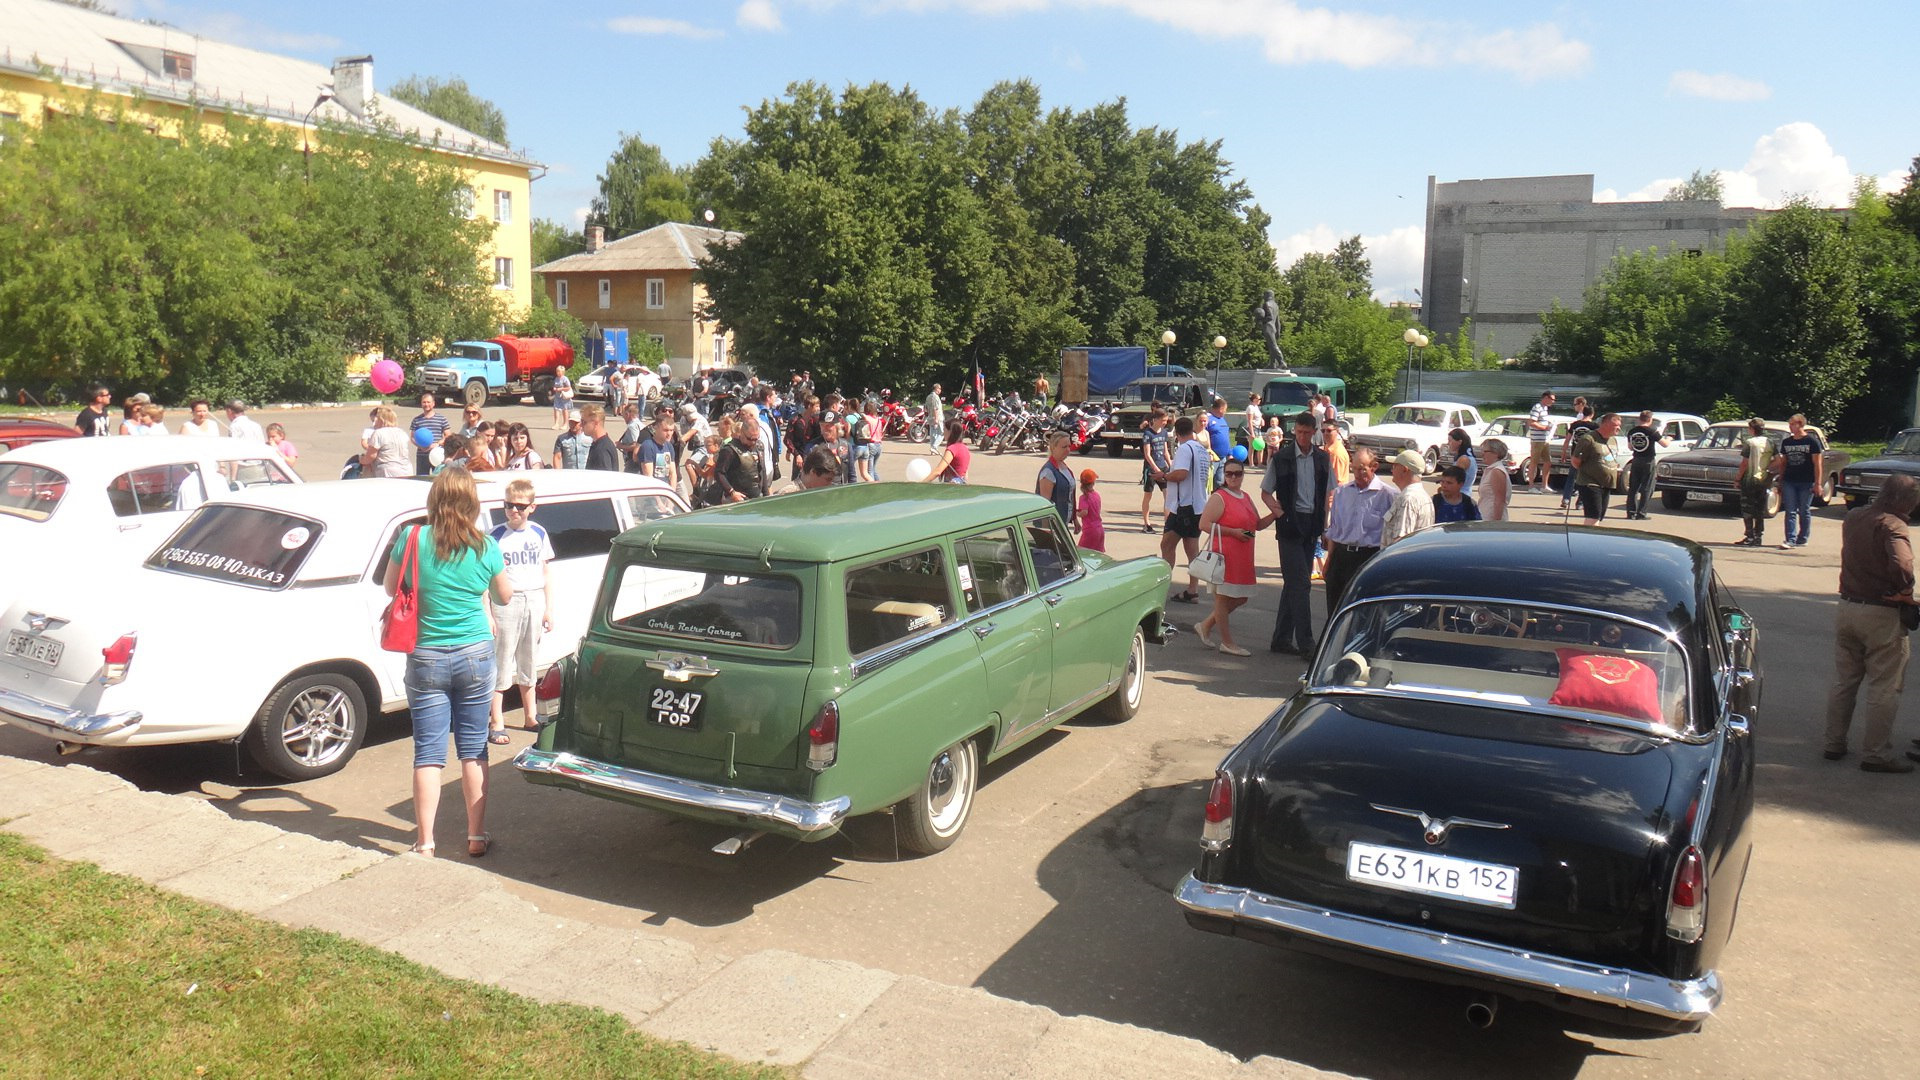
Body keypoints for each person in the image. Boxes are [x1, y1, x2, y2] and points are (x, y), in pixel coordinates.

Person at [382, 467, 511, 858]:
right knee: (473, 749)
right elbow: (504, 596)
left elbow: (391, 587)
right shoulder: (485, 545)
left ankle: (425, 842)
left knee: (428, 754)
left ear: (435, 499)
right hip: (475, 653)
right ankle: (475, 836)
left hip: (425, 655)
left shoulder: (412, 536)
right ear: (471, 502)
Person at [1823, 474, 1920, 773]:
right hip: (1881, 613)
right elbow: (1902, 564)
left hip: (1848, 606)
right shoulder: (1892, 525)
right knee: (1885, 686)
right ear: (1906, 501)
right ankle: (1876, 754)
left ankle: (1834, 743)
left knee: (1845, 681)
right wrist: (1906, 592)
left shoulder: (1854, 517)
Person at [487, 477, 554, 743]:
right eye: (509, 505)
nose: (514, 510)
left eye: (520, 506)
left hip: (534, 599)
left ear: (532, 507)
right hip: (506, 602)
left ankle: (530, 716)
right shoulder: (494, 536)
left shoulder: (538, 532)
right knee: (501, 661)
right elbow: (485, 579)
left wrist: (549, 609)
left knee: (529, 660)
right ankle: (497, 721)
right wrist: (487, 613)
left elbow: (546, 571)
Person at [1262, 412, 1333, 658]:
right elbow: (1265, 493)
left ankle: (1281, 638)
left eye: (1307, 432)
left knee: (1294, 583)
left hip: (1312, 525)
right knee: (1301, 583)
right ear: (1294, 432)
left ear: (1314, 432)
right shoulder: (1282, 458)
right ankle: (1307, 643)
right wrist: (1279, 513)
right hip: (1290, 526)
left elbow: (1326, 496)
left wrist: (1325, 527)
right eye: (1299, 432)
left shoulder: (1322, 459)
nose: (1303, 436)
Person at [1195, 459, 1269, 657]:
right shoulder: (1219, 497)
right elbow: (1204, 524)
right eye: (1229, 474)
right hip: (1224, 555)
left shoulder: (1245, 496)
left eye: (1237, 473)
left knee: (1241, 597)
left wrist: (1276, 514)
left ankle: (1206, 625)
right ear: (1224, 475)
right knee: (1222, 598)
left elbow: (1257, 525)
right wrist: (1233, 532)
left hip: (1243, 556)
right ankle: (1227, 643)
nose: (1233, 477)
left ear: (1243, 474)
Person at [1321, 448, 1396, 614]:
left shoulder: (1389, 495)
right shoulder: (1342, 493)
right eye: (1354, 468)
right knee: (1335, 609)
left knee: (1362, 610)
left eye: (1362, 468)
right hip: (1341, 557)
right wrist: (1329, 562)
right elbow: (1335, 530)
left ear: (1374, 466)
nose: (1357, 473)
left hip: (1368, 556)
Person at [1160, 416, 1212, 605]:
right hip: (1198, 506)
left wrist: (1164, 475)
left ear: (1177, 432)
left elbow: (1181, 474)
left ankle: (1162, 586)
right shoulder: (1201, 449)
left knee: (1166, 545)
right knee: (1192, 549)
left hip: (1184, 507)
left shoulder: (1185, 448)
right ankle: (1193, 590)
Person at [1777, 413, 1826, 548]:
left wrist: (1818, 484)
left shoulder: (1811, 442)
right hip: (1789, 480)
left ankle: (1803, 537)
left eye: (1792, 424)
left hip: (1807, 481)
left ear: (1800, 424)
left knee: (1804, 510)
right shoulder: (1787, 442)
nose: (1790, 427)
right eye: (1790, 424)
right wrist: (1780, 480)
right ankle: (1790, 539)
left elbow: (1817, 464)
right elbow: (1783, 462)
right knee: (1790, 510)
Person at [1571, 412, 1622, 526]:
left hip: (1606, 484)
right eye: (1616, 425)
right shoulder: (1588, 439)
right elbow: (1575, 461)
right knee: (1593, 516)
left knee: (1599, 516)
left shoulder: (1613, 440)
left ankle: (1594, 538)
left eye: (1619, 425)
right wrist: (1591, 471)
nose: (1618, 428)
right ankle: (1588, 541)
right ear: (1605, 425)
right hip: (1590, 483)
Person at [1381, 449, 1435, 548]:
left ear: (1405, 470)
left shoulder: (1407, 499)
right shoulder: (1425, 497)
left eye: (1395, 466)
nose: (1391, 470)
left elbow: (1400, 543)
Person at [1622, 410, 1669, 520]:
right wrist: (1669, 439)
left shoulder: (1632, 431)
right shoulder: (1652, 431)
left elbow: (1630, 447)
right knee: (1647, 487)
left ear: (1640, 419)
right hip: (1648, 460)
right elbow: (1665, 444)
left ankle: (1631, 512)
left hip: (1636, 459)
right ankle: (1641, 513)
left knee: (1633, 487)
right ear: (1650, 419)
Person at [712, 411, 767, 501]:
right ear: (742, 433)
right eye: (750, 439)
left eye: (756, 439)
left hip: (756, 495)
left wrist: (766, 495)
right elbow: (719, 473)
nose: (753, 442)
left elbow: (762, 471)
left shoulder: (759, 446)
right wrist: (731, 492)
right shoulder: (729, 450)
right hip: (737, 498)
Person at [1736, 417, 1774, 546]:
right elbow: (1779, 460)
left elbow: (1745, 463)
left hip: (1749, 480)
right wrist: (1767, 468)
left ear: (1752, 429)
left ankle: (1749, 536)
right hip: (1763, 479)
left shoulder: (1750, 443)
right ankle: (1758, 536)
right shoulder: (1770, 442)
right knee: (1759, 509)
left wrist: (1737, 478)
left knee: (1747, 508)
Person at [1559, 398, 1594, 511]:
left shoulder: (1575, 425)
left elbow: (1567, 440)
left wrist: (1563, 453)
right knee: (1584, 480)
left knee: (1571, 478)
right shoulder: (1594, 427)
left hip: (1575, 454)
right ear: (1592, 414)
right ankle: (1580, 502)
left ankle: (1566, 499)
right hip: (1588, 456)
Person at [1036, 435, 1077, 531]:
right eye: (1064, 447)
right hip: (1053, 527)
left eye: (1069, 446)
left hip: (1062, 524)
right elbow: (1044, 506)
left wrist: (1074, 519)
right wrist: (1047, 531)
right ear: (1053, 448)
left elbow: (1071, 496)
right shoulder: (1048, 472)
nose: (1068, 450)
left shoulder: (1065, 467)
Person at [1140, 408, 1171, 532]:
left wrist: (1170, 465)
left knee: (1167, 495)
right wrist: (1155, 469)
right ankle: (1147, 524)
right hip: (1151, 470)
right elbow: (1147, 454)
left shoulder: (1164, 432)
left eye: (1166, 420)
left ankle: (1167, 523)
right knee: (1148, 495)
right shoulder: (1148, 434)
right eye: (1163, 420)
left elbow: (1165, 451)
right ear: (1156, 419)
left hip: (1163, 468)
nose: (1165, 423)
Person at [365, 405, 412, 478]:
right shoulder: (402, 432)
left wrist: (361, 460)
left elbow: (371, 456)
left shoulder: (378, 433)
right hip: (407, 469)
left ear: (381, 419)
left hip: (388, 470)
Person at [1525, 389, 1557, 493]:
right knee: (1534, 462)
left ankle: (1544, 485)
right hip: (1537, 439)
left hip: (1544, 439)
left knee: (1548, 461)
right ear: (1546, 398)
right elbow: (1532, 422)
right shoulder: (1537, 407)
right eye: (1552, 399)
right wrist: (1544, 428)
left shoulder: (1545, 408)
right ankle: (1531, 486)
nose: (1553, 401)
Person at [410, 394, 449, 476]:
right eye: (424, 402)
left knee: (439, 478)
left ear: (433, 403)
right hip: (422, 455)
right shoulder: (416, 420)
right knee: (421, 479)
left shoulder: (441, 419)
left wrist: (437, 444)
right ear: (421, 404)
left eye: (428, 402)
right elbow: (412, 437)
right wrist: (420, 446)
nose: (426, 404)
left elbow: (448, 436)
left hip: (437, 454)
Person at [774, 447, 841, 494]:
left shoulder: (816, 494)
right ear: (813, 472)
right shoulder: (787, 495)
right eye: (828, 479)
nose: (830, 485)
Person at [637, 412, 678, 486]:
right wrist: (658, 497)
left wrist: (672, 492)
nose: (669, 434)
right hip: (651, 493)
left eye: (671, 430)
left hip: (665, 491)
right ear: (656, 428)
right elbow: (648, 477)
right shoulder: (647, 446)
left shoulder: (669, 446)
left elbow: (673, 474)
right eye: (665, 430)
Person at [579, 405, 622, 471]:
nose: (581, 425)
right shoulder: (600, 444)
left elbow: (603, 479)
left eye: (584, 422)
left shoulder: (602, 450)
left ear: (595, 423)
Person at [1477, 440, 1512, 521]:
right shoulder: (1490, 470)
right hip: (1484, 516)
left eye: (1485, 451)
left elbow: (1499, 500)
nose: (1482, 454)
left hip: (1491, 519)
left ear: (1496, 453)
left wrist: (1496, 524)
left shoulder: (1497, 471)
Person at [1076, 469, 1106, 552]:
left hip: (1090, 530)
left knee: (1082, 552)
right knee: (1098, 554)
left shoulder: (1083, 498)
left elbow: (1084, 512)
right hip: (1099, 528)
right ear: (1093, 483)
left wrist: (1077, 513)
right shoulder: (1096, 495)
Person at [1205, 398, 1232, 486]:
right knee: (1207, 483)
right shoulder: (1207, 419)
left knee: (1220, 484)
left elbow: (1226, 437)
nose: (1225, 412)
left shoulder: (1222, 419)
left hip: (1222, 459)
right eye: (1225, 410)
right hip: (1212, 458)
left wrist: (1229, 453)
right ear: (1220, 409)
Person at [1445, 426, 1478, 494]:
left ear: (1459, 442)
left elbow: (1454, 480)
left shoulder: (1463, 459)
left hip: (1460, 494)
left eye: (1450, 441)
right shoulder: (1467, 457)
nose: (1448, 443)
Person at [1244, 394, 1265, 466]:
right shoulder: (1250, 407)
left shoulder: (1256, 407)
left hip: (1258, 428)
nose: (1260, 401)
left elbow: (1258, 416)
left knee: (1261, 446)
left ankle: (1260, 463)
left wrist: (1262, 420)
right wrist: (1252, 432)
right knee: (1252, 446)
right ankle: (1251, 463)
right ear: (1254, 399)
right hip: (1253, 428)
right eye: (1259, 399)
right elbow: (1250, 420)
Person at [550, 364, 573, 430]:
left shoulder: (565, 379)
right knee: (556, 409)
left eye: (559, 371)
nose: (557, 372)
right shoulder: (556, 378)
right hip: (557, 397)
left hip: (564, 396)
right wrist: (554, 388)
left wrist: (560, 389)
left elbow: (568, 387)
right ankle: (556, 424)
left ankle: (565, 424)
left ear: (562, 372)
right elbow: (555, 385)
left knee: (564, 410)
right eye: (557, 371)